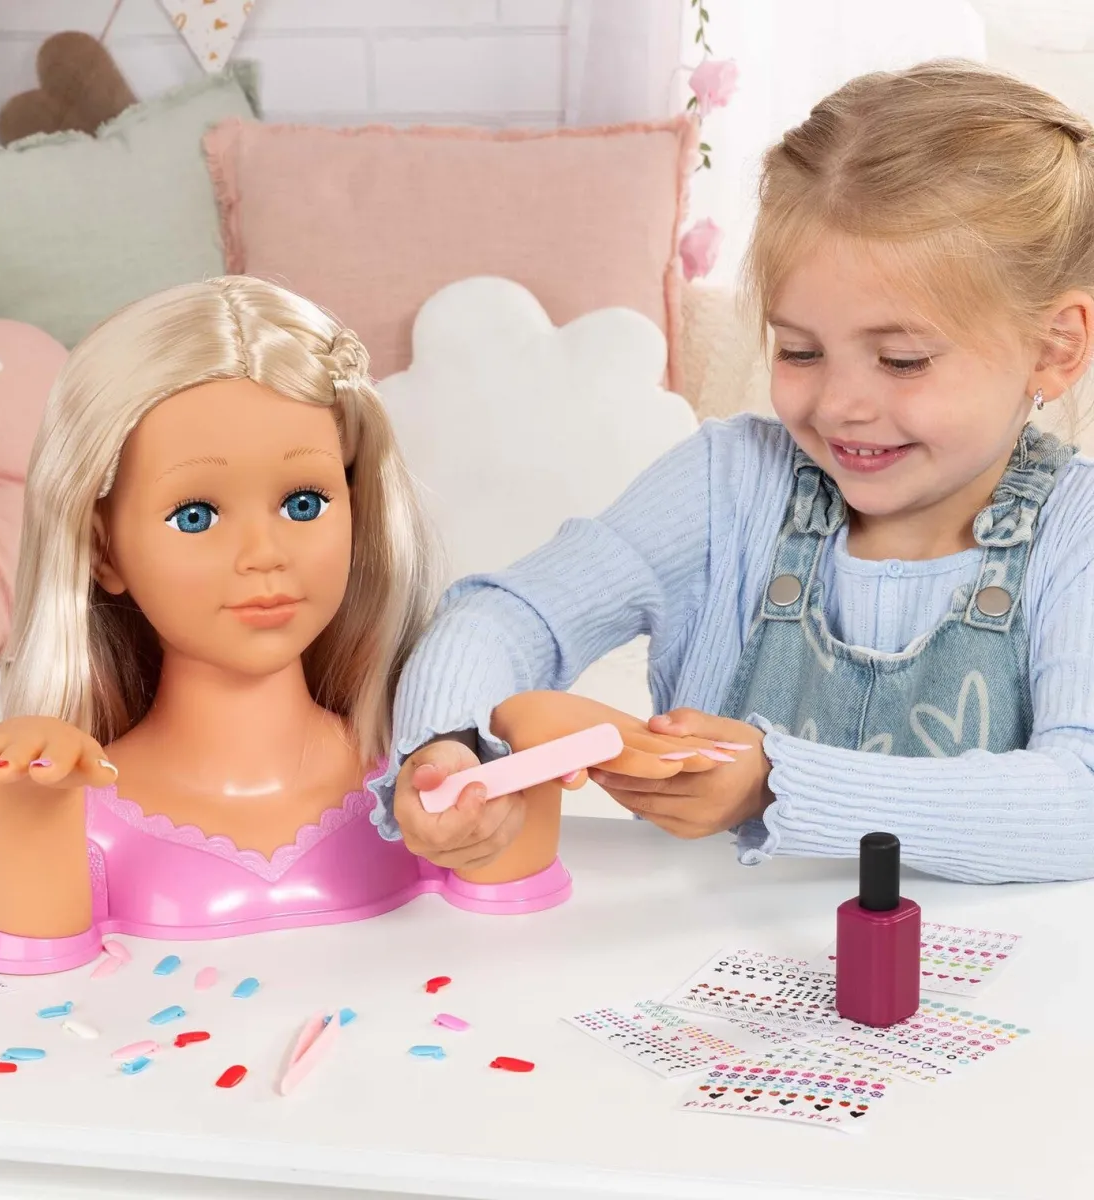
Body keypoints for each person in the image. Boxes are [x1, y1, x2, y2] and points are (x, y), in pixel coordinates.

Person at [379, 60, 1094, 886]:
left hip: (977, 965)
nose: (839, 405)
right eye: (800, 351)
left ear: (1056, 347)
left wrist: (777, 783)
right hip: (701, 954)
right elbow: (509, 617)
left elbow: (1078, 801)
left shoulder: (1076, 533)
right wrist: (446, 744)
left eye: (902, 360)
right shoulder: (729, 482)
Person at [0, 278, 693, 973]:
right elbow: (35, 970)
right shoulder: (92, 820)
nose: (265, 554)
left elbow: (509, 924)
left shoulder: (413, 785)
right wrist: (28, 800)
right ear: (103, 550)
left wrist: (528, 748)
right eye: (195, 515)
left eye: (305, 502)